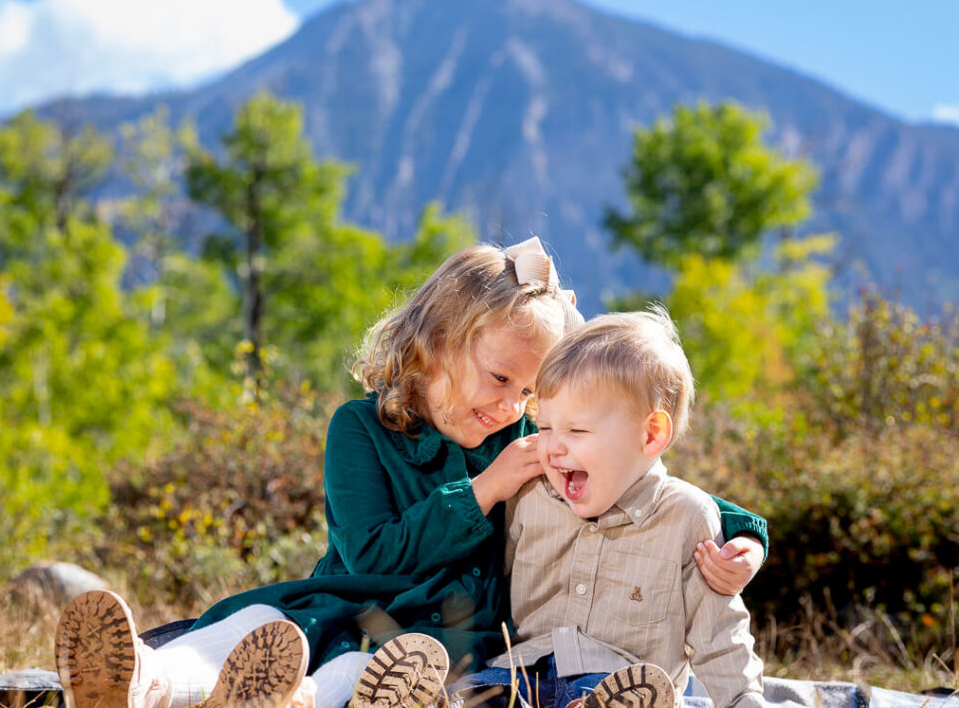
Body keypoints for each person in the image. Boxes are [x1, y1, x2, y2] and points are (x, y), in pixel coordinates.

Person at [54, 239, 766, 708]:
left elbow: (643, 481)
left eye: (527, 394)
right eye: (499, 377)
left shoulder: (528, 439)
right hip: (337, 598)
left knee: (367, 669)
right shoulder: (358, 430)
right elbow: (370, 553)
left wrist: (744, 540)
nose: (510, 405)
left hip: (445, 636)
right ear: (433, 343)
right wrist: (487, 488)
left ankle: (287, 704)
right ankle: (141, 680)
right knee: (258, 621)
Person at [454, 308, 766, 708]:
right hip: (522, 672)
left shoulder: (685, 517)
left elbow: (720, 633)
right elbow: (491, 584)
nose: (553, 446)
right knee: (481, 695)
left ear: (650, 435)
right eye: (544, 428)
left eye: (577, 430)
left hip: (619, 680)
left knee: (607, 698)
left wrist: (744, 700)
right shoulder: (530, 498)